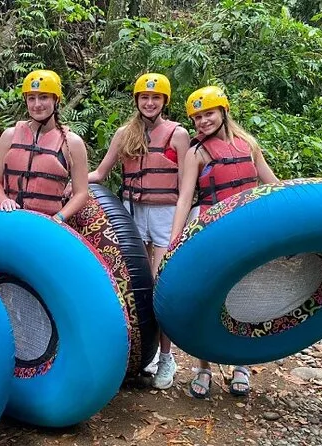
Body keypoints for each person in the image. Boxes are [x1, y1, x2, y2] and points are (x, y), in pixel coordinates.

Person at [170, 85, 278, 398]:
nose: (203, 121)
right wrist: (176, 238)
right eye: (198, 117)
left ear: (223, 112)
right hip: (212, 231)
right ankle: (203, 367)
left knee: (246, 297)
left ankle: (241, 365)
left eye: (209, 114)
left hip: (249, 230)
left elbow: (272, 185)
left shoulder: (249, 144)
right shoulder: (196, 153)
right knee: (208, 298)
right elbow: (185, 198)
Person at [87, 73, 190, 390]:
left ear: (164, 101)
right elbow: (100, 173)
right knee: (134, 288)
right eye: (144, 97)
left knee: (161, 285)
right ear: (136, 100)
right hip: (132, 213)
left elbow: (186, 187)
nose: (149, 102)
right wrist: (72, 182)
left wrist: (178, 228)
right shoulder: (124, 134)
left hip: (165, 213)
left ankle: (166, 356)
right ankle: (139, 352)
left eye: (156, 97)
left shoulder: (178, 134)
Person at [0, 69, 89, 223]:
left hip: (48, 222)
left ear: (56, 100)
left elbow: (81, 193)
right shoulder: (9, 136)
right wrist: (4, 200)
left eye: (43, 97)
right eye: (31, 98)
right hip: (10, 218)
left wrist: (58, 218)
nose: (37, 104)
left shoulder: (72, 143)